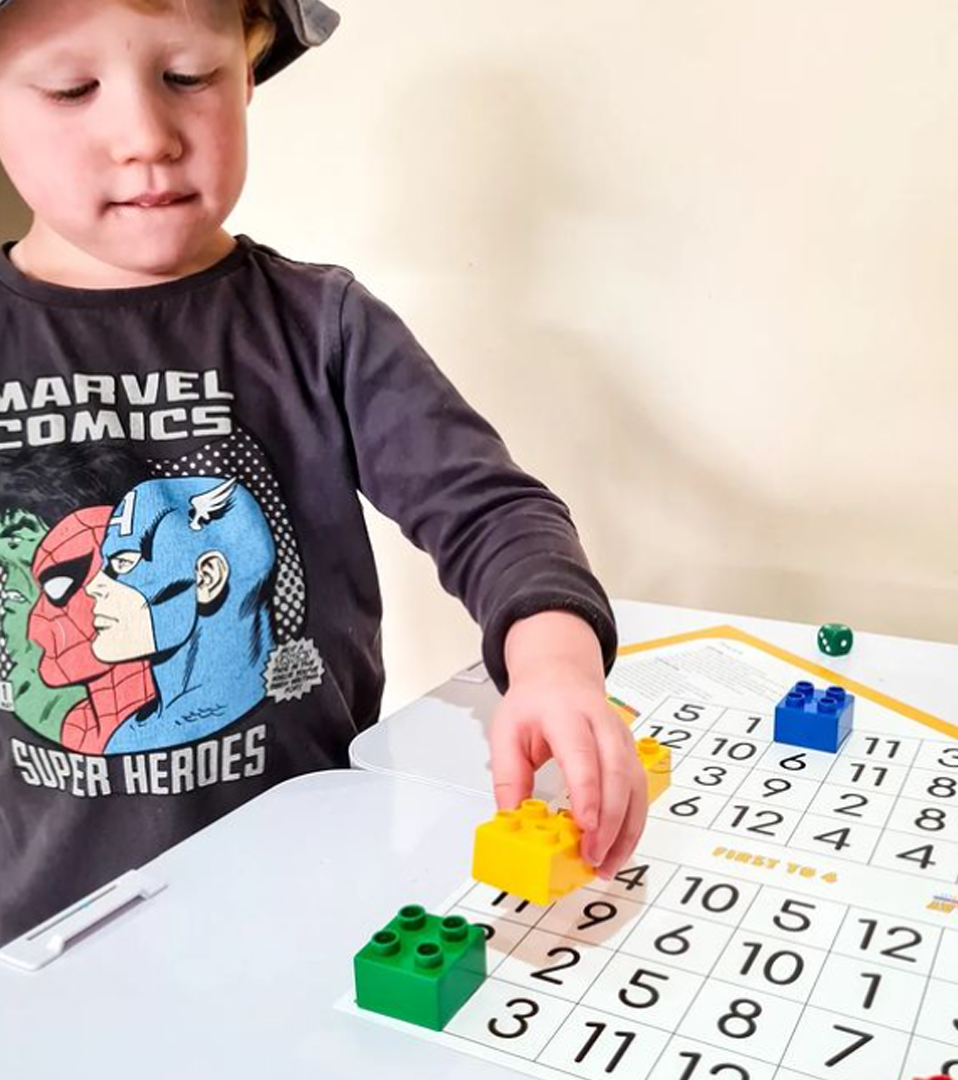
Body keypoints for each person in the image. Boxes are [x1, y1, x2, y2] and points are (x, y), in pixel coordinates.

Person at [0, 0, 646, 946]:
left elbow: (491, 511)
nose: (146, 136)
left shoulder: (323, 326)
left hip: (304, 900)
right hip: (40, 941)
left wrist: (555, 666)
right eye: (70, 88)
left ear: (250, 72)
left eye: (189, 77)